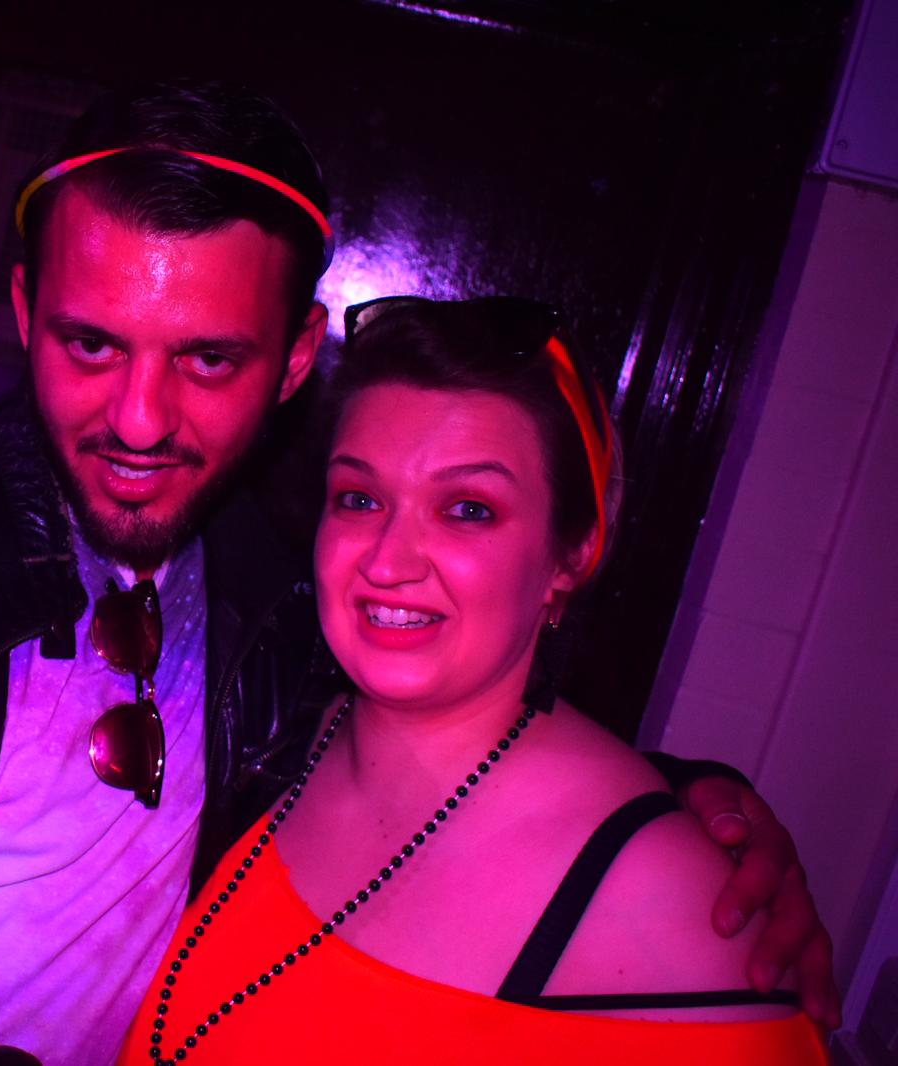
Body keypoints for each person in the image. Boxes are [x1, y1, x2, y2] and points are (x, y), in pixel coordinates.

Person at [0, 82, 834, 1065]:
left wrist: (686, 804)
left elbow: (440, 737)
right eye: (92, 344)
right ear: (22, 313)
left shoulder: (282, 597)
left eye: (206, 361)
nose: (140, 420)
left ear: (294, 358)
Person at [120, 297, 827, 1064]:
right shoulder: (266, 732)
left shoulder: (676, 908)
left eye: (467, 509)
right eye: (360, 499)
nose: (388, 562)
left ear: (573, 552)